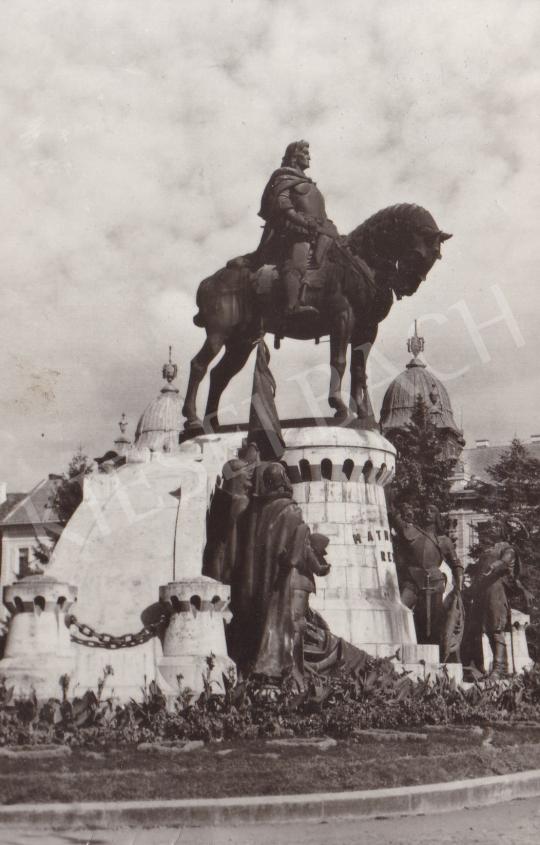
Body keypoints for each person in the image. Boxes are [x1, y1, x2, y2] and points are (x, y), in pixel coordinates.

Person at [255, 140, 338, 317]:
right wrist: (302, 222)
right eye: (305, 153)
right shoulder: (283, 178)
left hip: (318, 231)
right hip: (295, 232)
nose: (309, 157)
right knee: (297, 262)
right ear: (294, 156)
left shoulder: (309, 183)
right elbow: (284, 205)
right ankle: (292, 306)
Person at [391, 502, 464, 653]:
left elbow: (456, 564)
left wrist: (459, 586)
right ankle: (401, 647)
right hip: (412, 580)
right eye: (425, 510)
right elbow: (395, 517)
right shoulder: (411, 531)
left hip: (434, 581)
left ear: (437, 516)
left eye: (431, 511)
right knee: (400, 608)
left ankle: (432, 653)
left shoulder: (443, 541)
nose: (427, 513)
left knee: (432, 621)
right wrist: (402, 508)